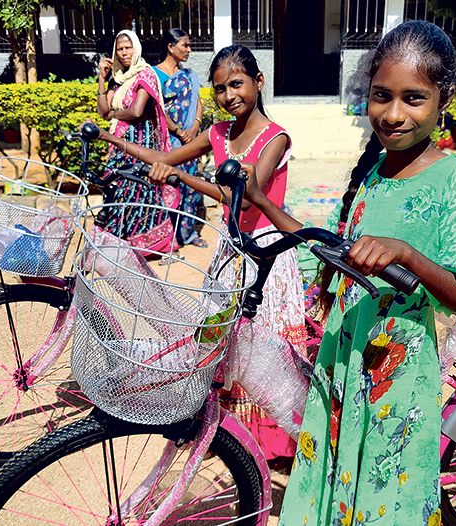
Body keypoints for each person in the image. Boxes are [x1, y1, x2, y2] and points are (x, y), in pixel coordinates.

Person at [239, 21, 456, 525]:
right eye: (382, 96)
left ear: (444, 99)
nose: (393, 114)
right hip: (341, 356)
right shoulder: (371, 172)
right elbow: (325, 246)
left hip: (397, 372)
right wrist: (260, 202)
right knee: (334, 478)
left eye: (413, 98)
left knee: (382, 492)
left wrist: (408, 255)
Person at [87, 44, 309, 463]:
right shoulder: (218, 133)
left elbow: (244, 196)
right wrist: (110, 138)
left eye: (237, 84)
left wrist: (182, 178)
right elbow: (164, 158)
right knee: (219, 336)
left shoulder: (275, 137)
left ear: (259, 82)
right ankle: (227, 434)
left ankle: (273, 441)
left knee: (260, 342)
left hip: (265, 251)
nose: (229, 95)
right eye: (220, 89)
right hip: (230, 249)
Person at [95, 30, 179, 249]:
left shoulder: (145, 74)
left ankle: (151, 244)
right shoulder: (118, 78)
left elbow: (137, 111)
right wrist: (102, 79)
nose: (124, 53)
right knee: (115, 188)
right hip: (118, 142)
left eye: (128, 48)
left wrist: (114, 114)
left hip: (139, 142)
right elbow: (103, 111)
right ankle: (117, 241)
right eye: (120, 49)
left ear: (136, 48)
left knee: (139, 191)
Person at [153, 28, 208, 249]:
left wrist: (195, 126)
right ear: (170, 47)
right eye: (185, 45)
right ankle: (168, 236)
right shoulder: (154, 75)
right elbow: (156, 108)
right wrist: (178, 130)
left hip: (190, 142)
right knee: (167, 186)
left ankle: (187, 233)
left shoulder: (189, 76)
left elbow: (198, 102)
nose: (189, 50)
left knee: (190, 186)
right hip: (167, 142)